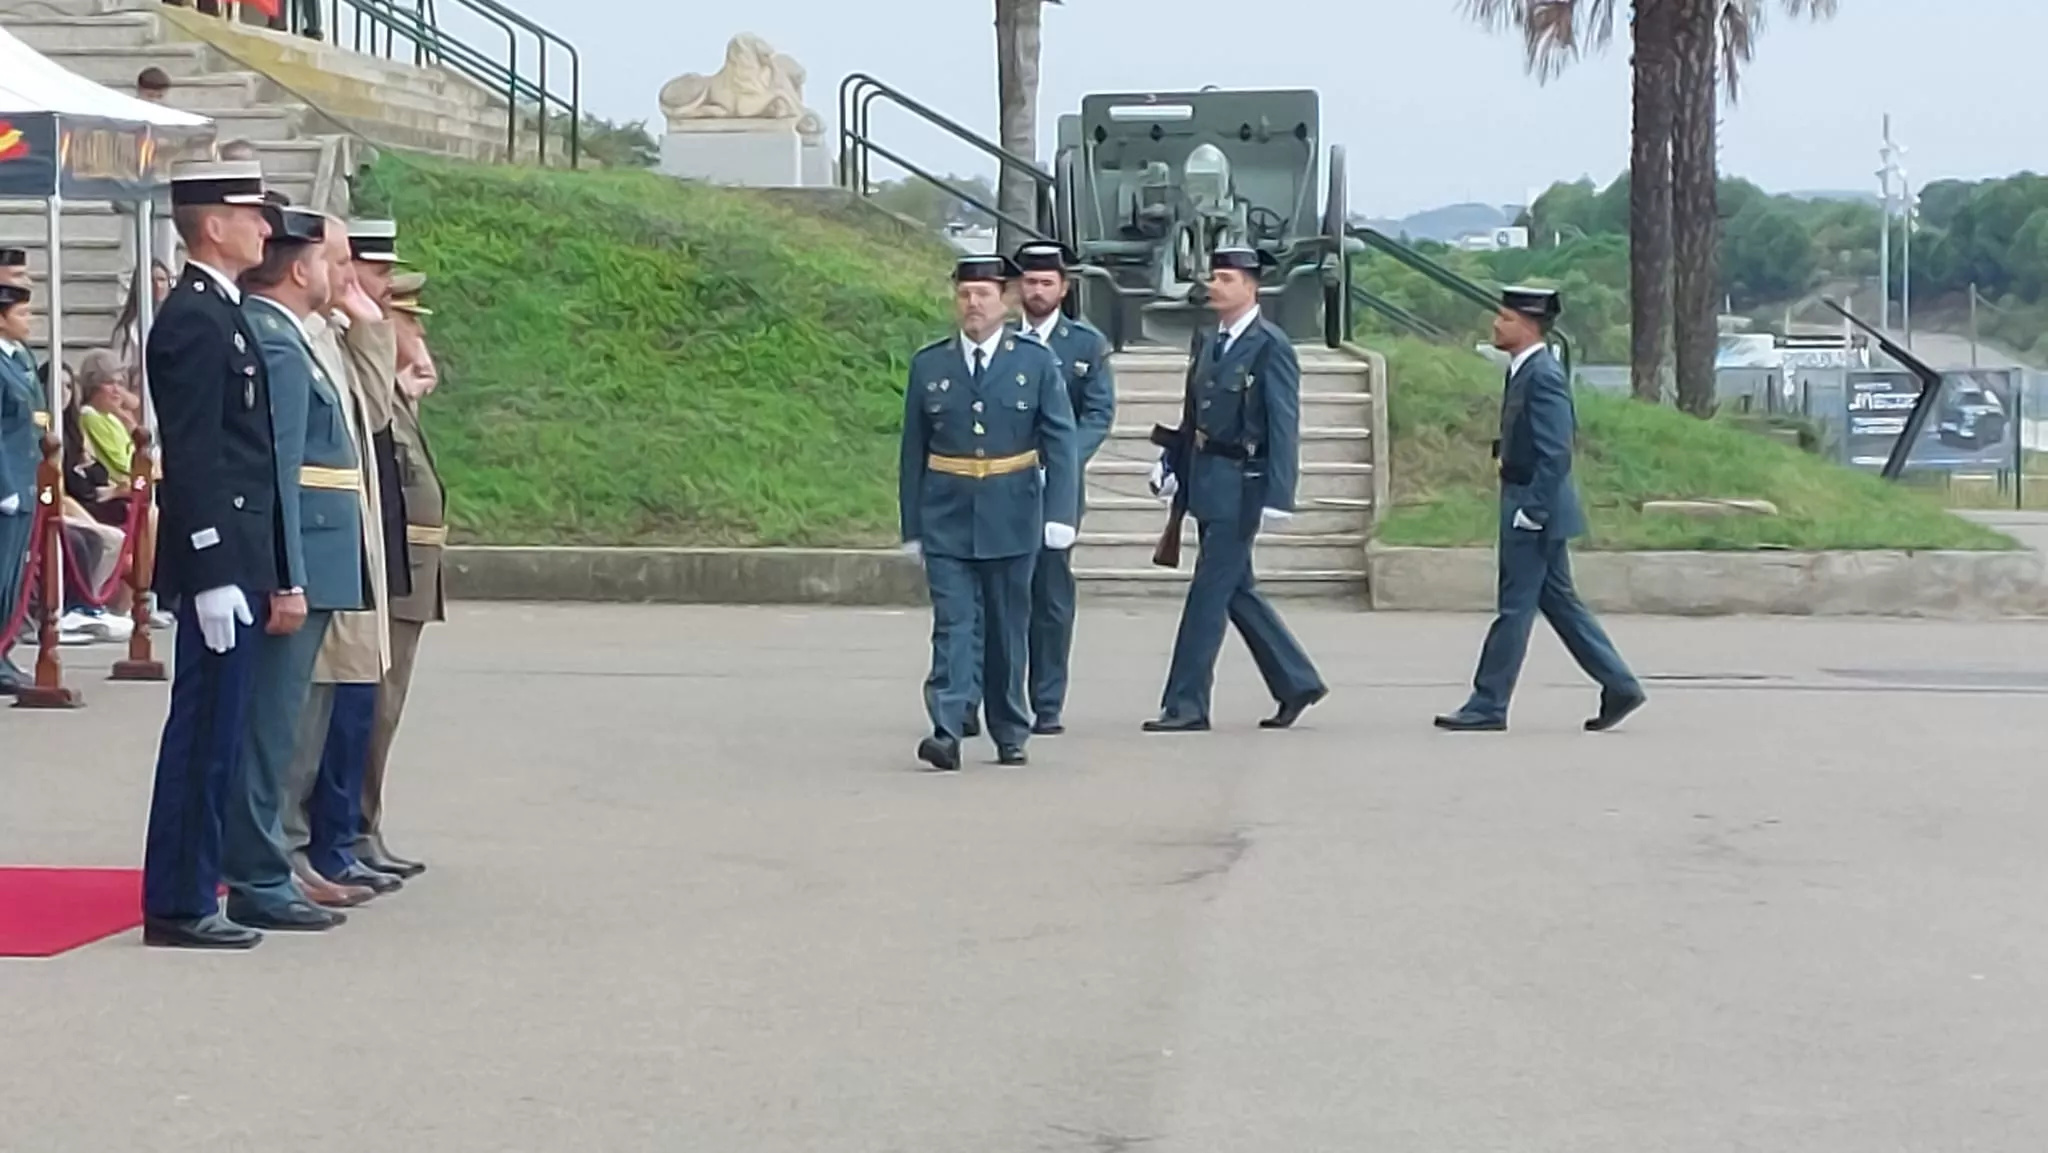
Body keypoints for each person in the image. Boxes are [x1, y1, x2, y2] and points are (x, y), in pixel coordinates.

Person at [217, 204, 376, 929]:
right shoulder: (277, 342)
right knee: (273, 723)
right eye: (326, 260)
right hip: (302, 549)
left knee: (286, 719)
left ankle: (269, 862)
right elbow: (280, 465)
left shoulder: (293, 337)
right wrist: (287, 570)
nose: (333, 273)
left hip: (318, 547)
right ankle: (258, 870)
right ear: (299, 266)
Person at [137, 158, 282, 951]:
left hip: (238, 552)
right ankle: (179, 899)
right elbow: (192, 454)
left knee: (221, 731)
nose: (264, 227)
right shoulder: (193, 318)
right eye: (251, 213)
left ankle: (196, 888)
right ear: (213, 225)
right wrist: (213, 567)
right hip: (215, 558)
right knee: (202, 732)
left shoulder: (223, 312)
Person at [1435, 288, 1646, 734]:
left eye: (1505, 318)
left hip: (1534, 505)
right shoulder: (1524, 369)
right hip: (1529, 498)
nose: (1496, 324)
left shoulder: (1543, 375)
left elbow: (1556, 452)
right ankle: (1620, 683)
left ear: (1529, 325)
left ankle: (1488, 702)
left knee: (1514, 608)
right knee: (1561, 603)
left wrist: (1531, 509)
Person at [899, 253, 1080, 771]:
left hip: (1013, 509)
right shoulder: (931, 364)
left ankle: (1009, 728)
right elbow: (914, 450)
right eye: (964, 294)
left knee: (1005, 627)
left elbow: (1061, 441)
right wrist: (913, 524)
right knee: (954, 625)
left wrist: (1060, 512)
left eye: (983, 294)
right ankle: (947, 727)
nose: (973, 304)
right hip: (948, 513)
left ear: (1005, 300)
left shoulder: (1034, 362)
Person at [1143, 246, 1327, 733]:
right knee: (1236, 589)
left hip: (1242, 486)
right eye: (1214, 277)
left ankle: (1186, 704)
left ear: (1251, 287)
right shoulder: (1208, 340)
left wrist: (1279, 495)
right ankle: (1296, 680)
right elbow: (1194, 414)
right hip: (1206, 478)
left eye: (1225, 278)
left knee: (1208, 592)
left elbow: (1283, 424)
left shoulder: (1270, 346)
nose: (1214, 286)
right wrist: (1172, 463)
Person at [344, 269, 441, 878]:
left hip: (413, 573)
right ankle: (352, 829)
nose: (420, 336)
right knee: (374, 708)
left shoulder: (399, 394)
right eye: (412, 323)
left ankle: (364, 825)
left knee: (387, 709)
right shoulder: (378, 389)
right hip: (394, 571)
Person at [0, 281, 39, 693]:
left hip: (26, 479)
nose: (29, 322)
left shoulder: (19, 359)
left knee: (12, 577)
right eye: (22, 314)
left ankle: (4, 652)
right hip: (7, 482)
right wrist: (5, 484)